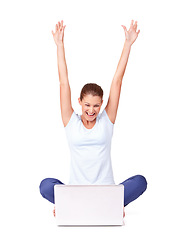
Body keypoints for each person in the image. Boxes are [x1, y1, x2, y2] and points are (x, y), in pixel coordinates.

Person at [39, 20, 147, 217]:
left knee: (140, 181)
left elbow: (117, 81)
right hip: (76, 192)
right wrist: (60, 45)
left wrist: (128, 44)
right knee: (45, 185)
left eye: (96, 105)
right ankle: (72, 202)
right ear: (79, 101)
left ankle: (103, 203)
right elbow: (64, 82)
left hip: (106, 192)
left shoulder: (107, 120)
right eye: (87, 105)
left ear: (102, 104)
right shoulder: (71, 122)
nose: (91, 110)